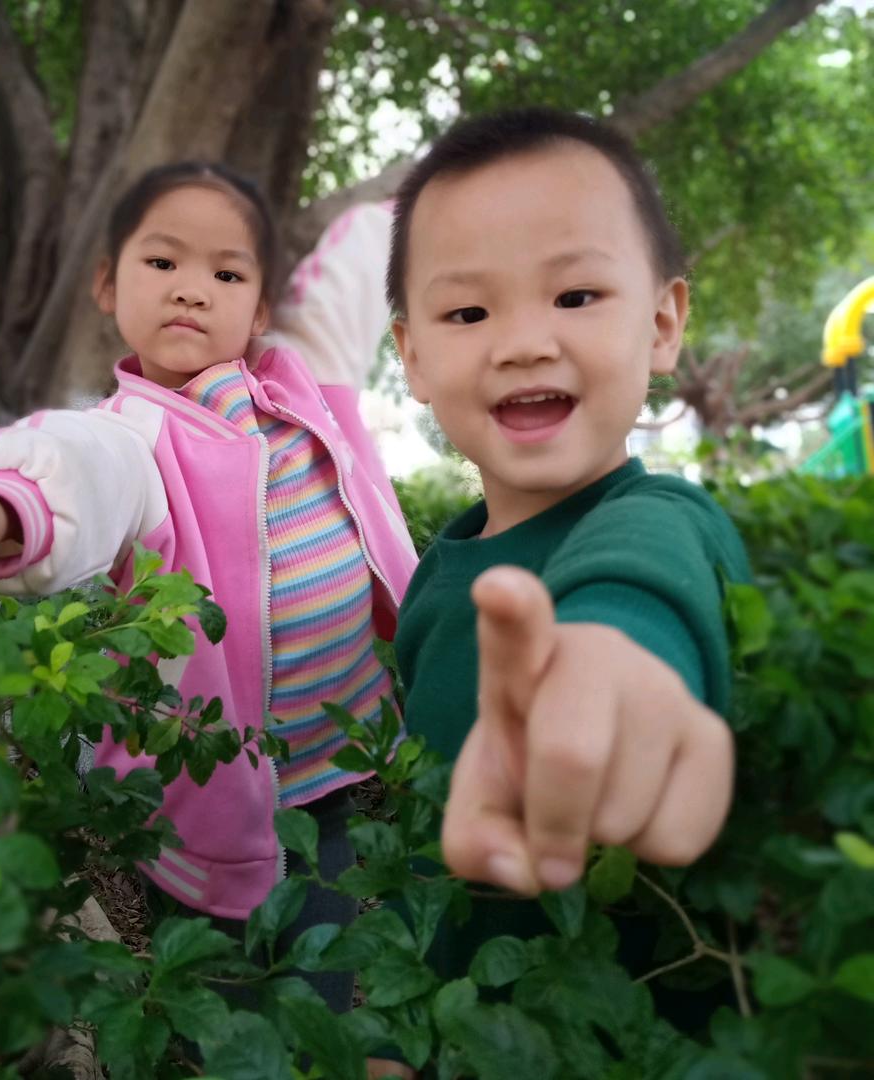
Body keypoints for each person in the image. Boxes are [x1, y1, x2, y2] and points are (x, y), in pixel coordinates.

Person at [0, 162, 419, 1020]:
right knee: (233, 999)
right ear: (107, 284)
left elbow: (359, 261)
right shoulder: (132, 435)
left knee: (328, 973)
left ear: (262, 308)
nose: (192, 290)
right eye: (162, 262)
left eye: (227, 273)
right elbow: (80, 472)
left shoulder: (308, 380)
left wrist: (454, 195)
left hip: (342, 763)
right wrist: (2, 509)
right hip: (221, 801)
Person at [386, 107, 751, 1035]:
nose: (522, 343)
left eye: (575, 296)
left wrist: (613, 657)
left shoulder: (665, 519)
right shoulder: (440, 570)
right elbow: (424, 836)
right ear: (413, 356)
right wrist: (395, 1029)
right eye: (469, 312)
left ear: (662, 323)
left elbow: (640, 586)